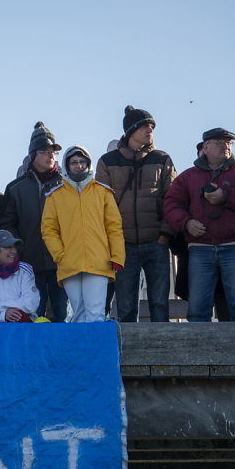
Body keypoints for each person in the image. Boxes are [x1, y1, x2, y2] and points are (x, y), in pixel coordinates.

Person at [163, 128, 235, 322]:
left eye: (229, 143)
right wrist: (186, 222)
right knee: (197, 310)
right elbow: (170, 204)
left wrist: (225, 196)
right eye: (219, 142)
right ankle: (197, 351)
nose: (225, 146)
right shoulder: (188, 177)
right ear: (206, 146)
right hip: (200, 248)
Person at [95, 106, 177, 322]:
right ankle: (127, 354)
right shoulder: (107, 161)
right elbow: (102, 206)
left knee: (160, 305)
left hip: (157, 243)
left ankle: (161, 352)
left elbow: (173, 201)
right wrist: (112, 243)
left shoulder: (162, 159)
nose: (150, 129)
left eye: (152, 126)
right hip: (123, 245)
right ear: (131, 130)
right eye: (144, 126)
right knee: (125, 307)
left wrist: (164, 236)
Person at [41, 145, 125, 322]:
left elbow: (114, 226)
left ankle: (97, 350)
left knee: (95, 314)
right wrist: (59, 254)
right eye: (73, 163)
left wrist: (117, 256)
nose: (79, 166)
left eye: (82, 162)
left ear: (88, 164)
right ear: (66, 165)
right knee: (78, 314)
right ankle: (81, 350)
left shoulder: (102, 192)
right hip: (69, 262)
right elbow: (48, 229)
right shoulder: (55, 196)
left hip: (98, 261)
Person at [0, 122, 67, 322]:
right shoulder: (15, 188)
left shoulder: (67, 186)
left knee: (61, 318)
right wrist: (20, 247)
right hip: (30, 265)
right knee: (32, 319)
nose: (50, 156)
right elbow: (7, 222)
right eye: (45, 152)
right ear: (32, 156)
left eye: (53, 152)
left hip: (62, 264)